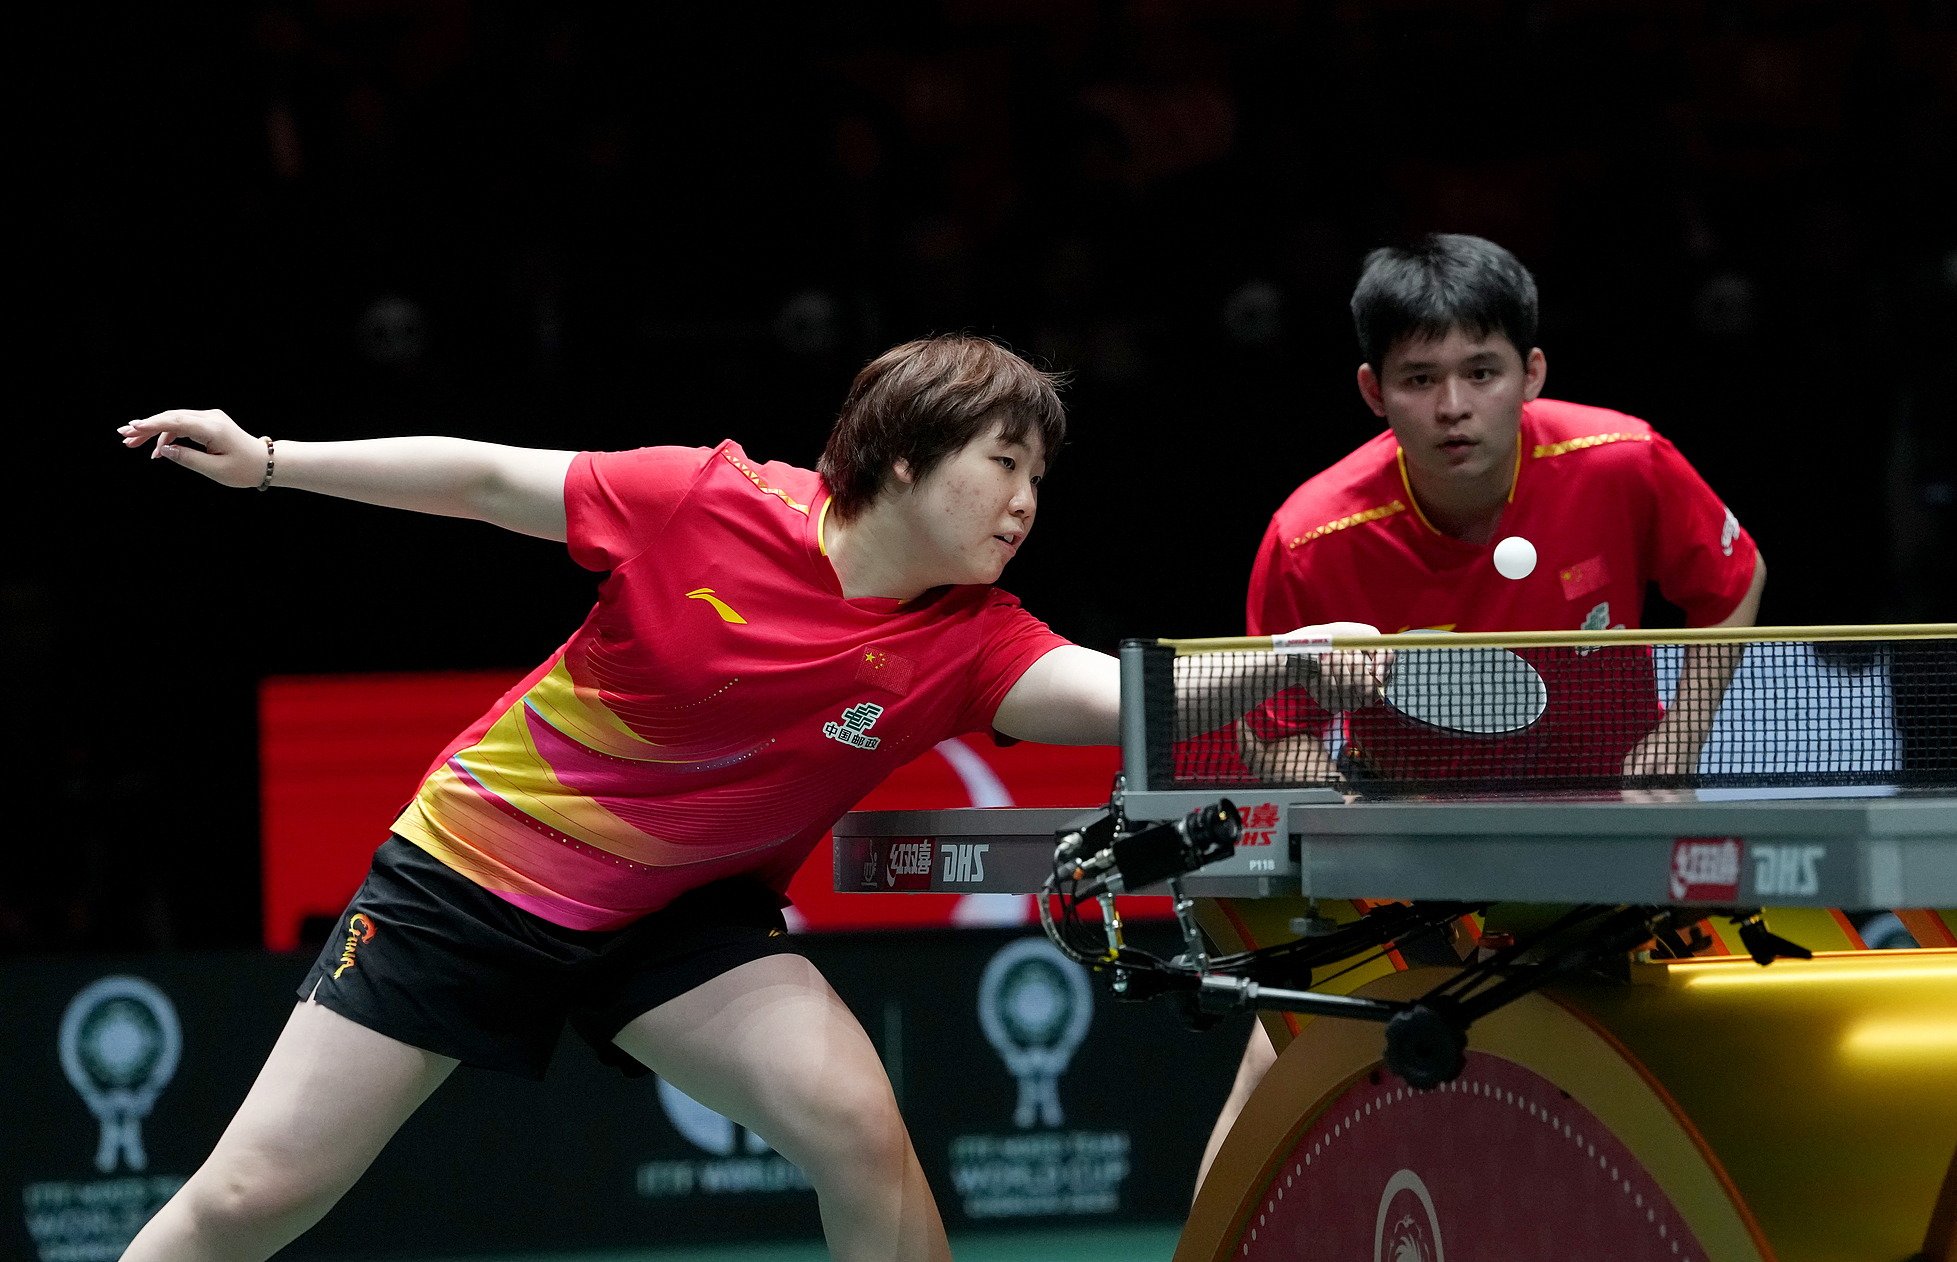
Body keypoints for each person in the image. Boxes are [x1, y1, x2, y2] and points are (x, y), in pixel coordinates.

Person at [116, 336, 1370, 1262]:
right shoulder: (703, 499)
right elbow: (488, 479)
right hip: (475, 872)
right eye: (1002, 463)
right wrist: (268, 461)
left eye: (1038, 475)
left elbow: (1127, 697)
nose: (1024, 502)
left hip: (680, 914)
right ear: (901, 454)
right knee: (257, 1193)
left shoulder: (972, 641)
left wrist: (1288, 663)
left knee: (853, 1123)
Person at [1193, 235, 1766, 1194]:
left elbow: (1733, 580)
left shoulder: (1621, 461)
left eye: (1481, 372)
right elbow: (1268, 733)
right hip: (1410, 840)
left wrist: (1679, 738)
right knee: (1279, 1055)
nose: (1453, 406)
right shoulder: (1313, 538)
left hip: (1605, 821)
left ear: (1530, 373)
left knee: (1693, 1065)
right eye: (1420, 379)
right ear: (1373, 390)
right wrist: (1346, 801)